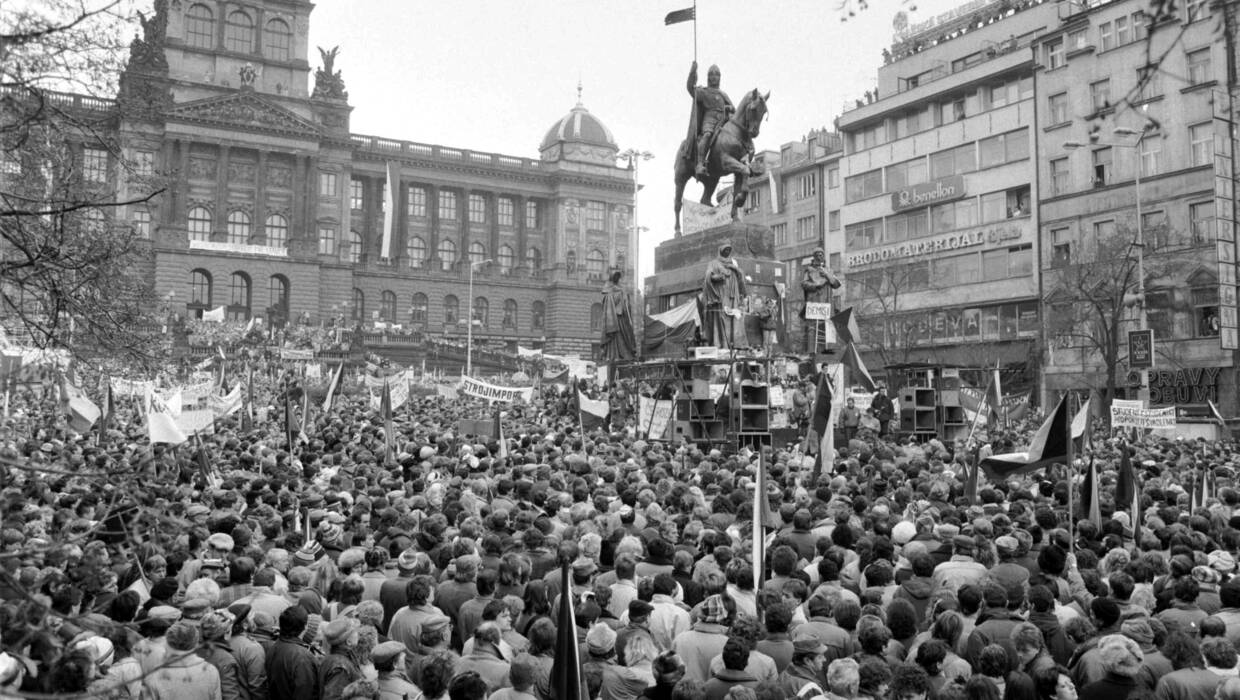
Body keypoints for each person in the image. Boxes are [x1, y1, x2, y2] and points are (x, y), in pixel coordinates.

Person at [686, 61, 735, 178]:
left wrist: (730, 107)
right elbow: (690, 89)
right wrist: (692, 73)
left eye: (716, 74)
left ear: (720, 77)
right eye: (711, 74)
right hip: (709, 120)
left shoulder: (723, 95)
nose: (714, 77)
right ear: (708, 77)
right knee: (707, 135)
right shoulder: (703, 92)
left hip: (723, 120)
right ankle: (700, 163)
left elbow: (734, 109)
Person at [701, 243, 748, 350]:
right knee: (722, 317)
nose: (727, 252)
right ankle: (722, 344)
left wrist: (735, 269)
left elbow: (741, 277)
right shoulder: (714, 263)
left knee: (734, 317)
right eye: (725, 250)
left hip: (733, 295)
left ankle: (735, 344)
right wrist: (715, 277)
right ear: (721, 251)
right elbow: (708, 275)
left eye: (729, 250)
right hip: (721, 294)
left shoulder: (733, 263)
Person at [800, 248, 842, 352]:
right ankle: (811, 350)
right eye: (817, 254)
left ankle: (828, 349)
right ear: (814, 257)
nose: (819, 256)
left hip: (827, 303)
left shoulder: (828, 270)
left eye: (821, 254)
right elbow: (804, 284)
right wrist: (816, 285)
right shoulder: (809, 270)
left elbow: (836, 284)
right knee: (812, 327)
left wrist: (827, 275)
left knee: (828, 326)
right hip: (814, 302)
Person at [602, 270, 637, 362]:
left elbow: (626, 305)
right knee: (615, 336)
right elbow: (609, 305)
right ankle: (614, 355)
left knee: (625, 335)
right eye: (617, 277)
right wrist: (621, 296)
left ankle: (625, 355)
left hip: (621, 317)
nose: (619, 279)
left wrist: (625, 299)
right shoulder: (609, 291)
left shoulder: (621, 290)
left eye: (619, 277)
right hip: (614, 318)